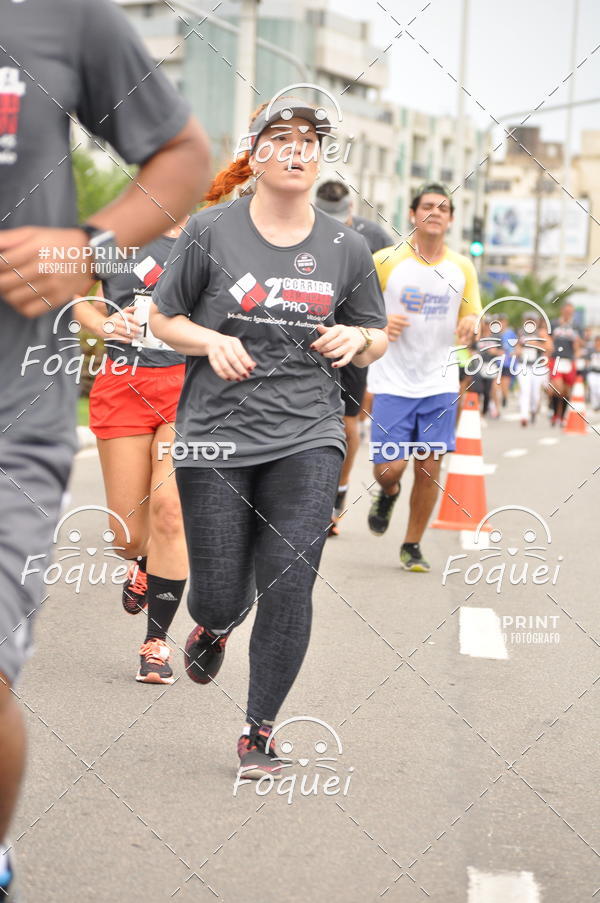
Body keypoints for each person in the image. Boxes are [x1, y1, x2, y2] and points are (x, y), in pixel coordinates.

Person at [0, 0, 210, 896]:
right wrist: (94, 302)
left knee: (164, 510)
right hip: (118, 381)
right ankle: (142, 574)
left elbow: (183, 155)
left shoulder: (59, 17)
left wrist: (80, 249)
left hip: (14, 407)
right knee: (132, 526)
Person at [150, 96, 388, 778]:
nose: (295, 148)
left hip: (307, 432)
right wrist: (210, 339)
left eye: (308, 140)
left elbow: (373, 335)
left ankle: (259, 731)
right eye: (280, 138)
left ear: (319, 158)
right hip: (215, 434)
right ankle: (215, 624)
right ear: (254, 154)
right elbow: (164, 319)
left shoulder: (346, 246)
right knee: (222, 589)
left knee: (290, 579)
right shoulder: (209, 230)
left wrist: (359, 337)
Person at [74, 219, 192, 684]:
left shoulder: (209, 235)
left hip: (188, 390)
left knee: (170, 511)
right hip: (123, 385)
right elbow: (79, 298)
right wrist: (104, 322)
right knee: (127, 535)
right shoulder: (112, 238)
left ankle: (156, 643)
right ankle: (141, 564)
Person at [366, 182, 481, 572]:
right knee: (389, 468)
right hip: (392, 380)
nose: (435, 212)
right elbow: (355, 309)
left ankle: (412, 544)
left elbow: (473, 314)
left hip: (440, 381)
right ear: (413, 214)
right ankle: (388, 492)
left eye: (443, 208)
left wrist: (470, 323)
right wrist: (380, 321)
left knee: (429, 467)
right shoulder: (386, 260)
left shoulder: (462, 267)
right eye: (427, 206)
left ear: (450, 219)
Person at [314, 180, 394, 535]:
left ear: (349, 210)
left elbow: (396, 284)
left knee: (348, 423)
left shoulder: (372, 237)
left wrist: (389, 322)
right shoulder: (302, 228)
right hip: (314, 339)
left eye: (335, 215)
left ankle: (337, 495)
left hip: (356, 340)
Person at [515, 313, 553, 426]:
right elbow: (516, 348)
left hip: (537, 367)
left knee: (535, 393)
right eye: (527, 320)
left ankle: (533, 410)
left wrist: (535, 343)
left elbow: (550, 348)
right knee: (525, 390)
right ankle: (524, 416)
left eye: (532, 320)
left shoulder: (541, 333)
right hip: (523, 365)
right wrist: (517, 350)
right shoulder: (520, 333)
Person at [549, 301, 582, 425]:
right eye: (566, 311)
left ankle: (562, 416)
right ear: (562, 311)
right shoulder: (554, 324)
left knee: (567, 391)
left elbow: (579, 344)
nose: (568, 314)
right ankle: (554, 414)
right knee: (557, 387)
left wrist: (577, 347)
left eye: (571, 312)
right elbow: (547, 338)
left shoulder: (576, 327)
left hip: (569, 359)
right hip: (556, 358)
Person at [587, 335, 600, 411]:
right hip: (592, 372)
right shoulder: (591, 350)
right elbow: (588, 361)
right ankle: (595, 405)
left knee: (599, 390)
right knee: (593, 389)